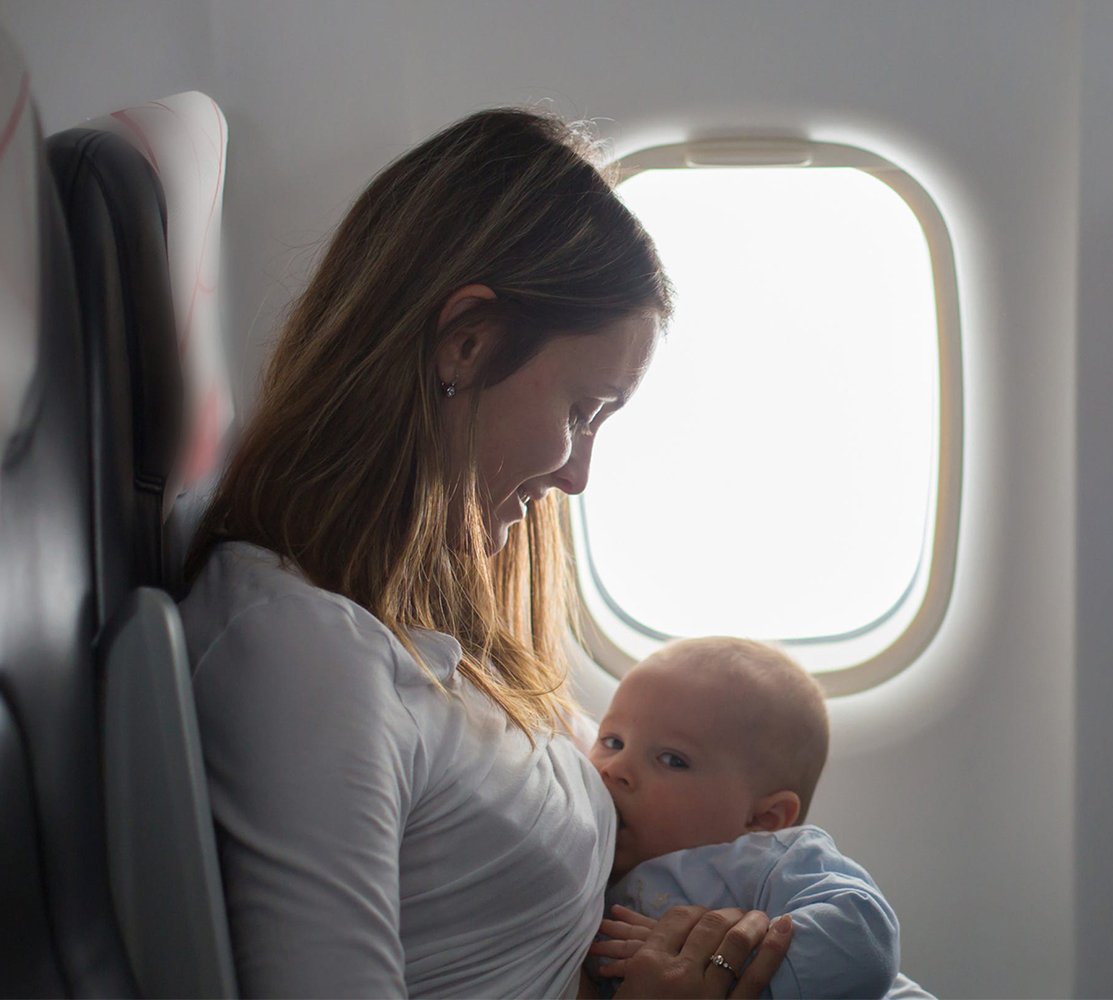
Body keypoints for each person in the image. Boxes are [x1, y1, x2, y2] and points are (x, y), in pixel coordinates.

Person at [179, 107, 790, 997]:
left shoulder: (443, 627)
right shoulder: (304, 653)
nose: (578, 475)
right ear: (466, 342)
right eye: (581, 412)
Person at [586, 638, 929, 999]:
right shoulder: (590, 854)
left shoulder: (766, 860)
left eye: (673, 760)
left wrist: (726, 969)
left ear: (764, 818)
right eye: (612, 741)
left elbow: (863, 938)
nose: (616, 769)